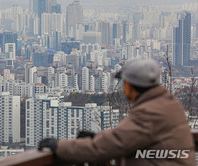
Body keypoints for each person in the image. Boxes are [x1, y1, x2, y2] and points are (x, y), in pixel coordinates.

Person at [38, 57, 196, 166]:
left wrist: (59, 146)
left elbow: (110, 146)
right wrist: (96, 137)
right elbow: (126, 137)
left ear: (130, 85)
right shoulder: (168, 104)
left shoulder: (150, 112)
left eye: (124, 83)